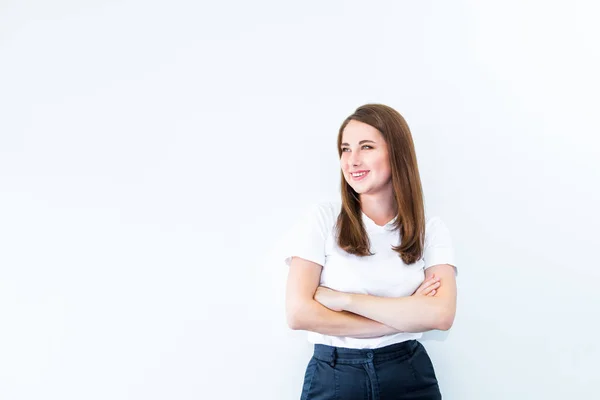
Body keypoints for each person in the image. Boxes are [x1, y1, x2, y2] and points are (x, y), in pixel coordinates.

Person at [283, 103, 458, 400]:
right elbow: (299, 313)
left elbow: (440, 315)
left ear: (397, 153)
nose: (352, 160)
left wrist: (344, 300)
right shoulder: (324, 219)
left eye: (366, 147)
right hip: (335, 376)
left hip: (409, 375)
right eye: (345, 149)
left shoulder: (430, 229)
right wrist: (404, 315)